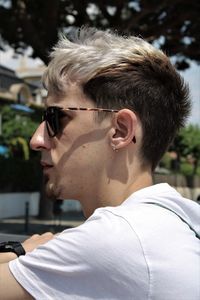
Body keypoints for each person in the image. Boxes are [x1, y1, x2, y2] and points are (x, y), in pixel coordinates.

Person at [0, 27, 199, 300]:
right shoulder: (176, 219)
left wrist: (19, 251)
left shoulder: (118, 238)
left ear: (120, 130)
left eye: (56, 118)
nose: (37, 139)